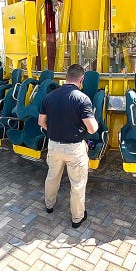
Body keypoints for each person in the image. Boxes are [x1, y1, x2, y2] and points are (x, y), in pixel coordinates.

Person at [38, 64, 98, 228]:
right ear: (81, 79)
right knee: (77, 184)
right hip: (74, 148)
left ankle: (49, 206)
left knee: (52, 177)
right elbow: (92, 128)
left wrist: (57, 130)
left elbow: (41, 122)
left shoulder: (49, 97)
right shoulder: (82, 99)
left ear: (66, 76)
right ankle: (77, 218)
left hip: (54, 146)